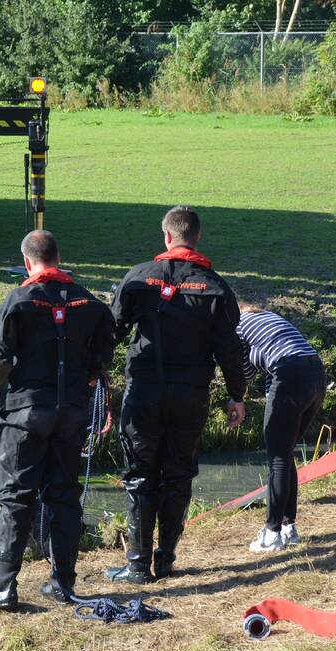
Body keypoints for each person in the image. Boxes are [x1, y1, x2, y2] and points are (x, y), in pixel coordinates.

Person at [0, 230, 114, 611]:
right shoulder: (90, 302)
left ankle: (2, 588)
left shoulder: (17, 301)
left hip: (25, 415)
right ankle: (63, 583)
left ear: (27, 261)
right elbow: (103, 359)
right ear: (58, 256)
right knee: (64, 496)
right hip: (71, 414)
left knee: (15, 498)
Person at [105, 206, 247, 584]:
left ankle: (137, 565)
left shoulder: (139, 278)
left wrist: (93, 374)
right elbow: (230, 349)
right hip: (191, 394)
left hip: (145, 390)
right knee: (178, 475)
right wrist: (237, 395)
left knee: (139, 475)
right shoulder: (215, 287)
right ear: (197, 237)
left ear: (166, 236)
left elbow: (111, 331)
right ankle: (166, 561)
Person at [237, 306, 327, 552]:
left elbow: (243, 371)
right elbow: (270, 364)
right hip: (315, 374)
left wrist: (234, 392)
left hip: (289, 374)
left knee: (277, 457)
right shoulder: (268, 318)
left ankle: (272, 533)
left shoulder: (237, 323)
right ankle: (289, 528)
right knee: (285, 454)